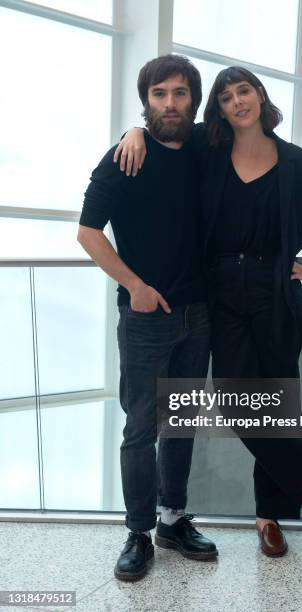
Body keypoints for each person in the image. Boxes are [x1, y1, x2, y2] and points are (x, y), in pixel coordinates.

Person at [114, 64, 302, 558]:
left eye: (244, 90)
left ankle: (269, 517)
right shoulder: (210, 149)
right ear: (218, 109)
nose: (237, 101)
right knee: (239, 402)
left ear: (261, 96)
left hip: (275, 291)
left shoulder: (293, 162)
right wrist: (132, 129)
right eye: (225, 97)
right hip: (220, 294)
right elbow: (165, 124)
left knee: (275, 405)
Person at [77, 55, 218, 583]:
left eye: (180, 93)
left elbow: (250, 132)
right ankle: (138, 531)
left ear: (193, 101)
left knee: (179, 422)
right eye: (160, 94)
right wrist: (134, 285)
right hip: (144, 318)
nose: (170, 103)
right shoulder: (123, 158)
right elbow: (89, 232)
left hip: (198, 313)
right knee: (140, 428)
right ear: (147, 101)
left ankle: (172, 519)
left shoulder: (206, 146)